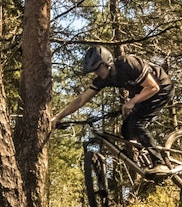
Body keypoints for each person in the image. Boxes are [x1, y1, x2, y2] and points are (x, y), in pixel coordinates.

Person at [50, 45, 173, 175]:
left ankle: (160, 163)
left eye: (98, 68)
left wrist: (131, 102)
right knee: (126, 131)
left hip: (162, 89)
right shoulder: (103, 79)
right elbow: (81, 99)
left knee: (137, 125)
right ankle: (146, 154)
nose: (97, 73)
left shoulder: (128, 63)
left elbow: (153, 87)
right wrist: (58, 116)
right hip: (144, 94)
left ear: (107, 62)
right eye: (94, 71)